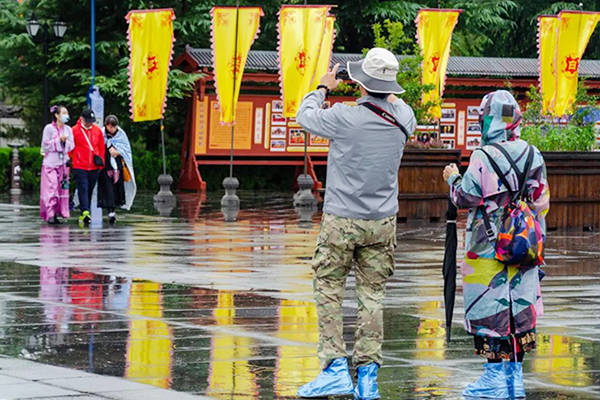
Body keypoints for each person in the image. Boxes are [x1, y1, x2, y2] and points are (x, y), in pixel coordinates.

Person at [295, 48, 416, 399]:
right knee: (372, 296)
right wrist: (376, 84)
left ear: (362, 82)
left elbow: (305, 115)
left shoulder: (343, 117)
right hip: (382, 222)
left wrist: (323, 86)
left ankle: (335, 368)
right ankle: (367, 377)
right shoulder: (405, 117)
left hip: (342, 221)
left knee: (329, 289)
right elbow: (390, 98)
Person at [442, 90, 550, 399]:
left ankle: (493, 378)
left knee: (491, 310)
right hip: (523, 243)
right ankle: (514, 377)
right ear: (514, 119)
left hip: (487, 245)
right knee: (520, 310)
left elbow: (465, 197)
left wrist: (453, 178)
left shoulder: (482, 156)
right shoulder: (533, 153)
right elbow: (540, 201)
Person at [98, 115, 136, 224]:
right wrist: (108, 148)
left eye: (114, 127)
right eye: (110, 127)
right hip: (105, 166)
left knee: (116, 187)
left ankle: (113, 208)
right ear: (106, 125)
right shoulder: (100, 133)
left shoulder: (121, 134)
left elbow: (127, 150)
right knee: (107, 187)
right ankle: (110, 211)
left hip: (117, 166)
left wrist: (117, 151)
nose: (112, 129)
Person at [40, 105, 74, 224]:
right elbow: (45, 145)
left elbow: (72, 144)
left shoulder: (68, 129)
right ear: (56, 115)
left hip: (63, 163)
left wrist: (65, 142)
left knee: (62, 190)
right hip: (50, 163)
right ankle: (50, 214)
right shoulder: (49, 128)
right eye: (64, 113)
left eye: (67, 113)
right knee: (52, 187)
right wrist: (59, 141)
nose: (66, 115)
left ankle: (57, 213)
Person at [71, 109, 105, 226]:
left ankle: (85, 211)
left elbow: (101, 147)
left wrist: (101, 162)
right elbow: (70, 148)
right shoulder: (74, 130)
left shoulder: (97, 131)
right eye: (88, 121)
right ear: (82, 119)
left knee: (90, 189)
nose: (90, 123)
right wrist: (70, 161)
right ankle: (85, 211)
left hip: (94, 167)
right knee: (83, 187)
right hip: (79, 165)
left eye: (92, 121)